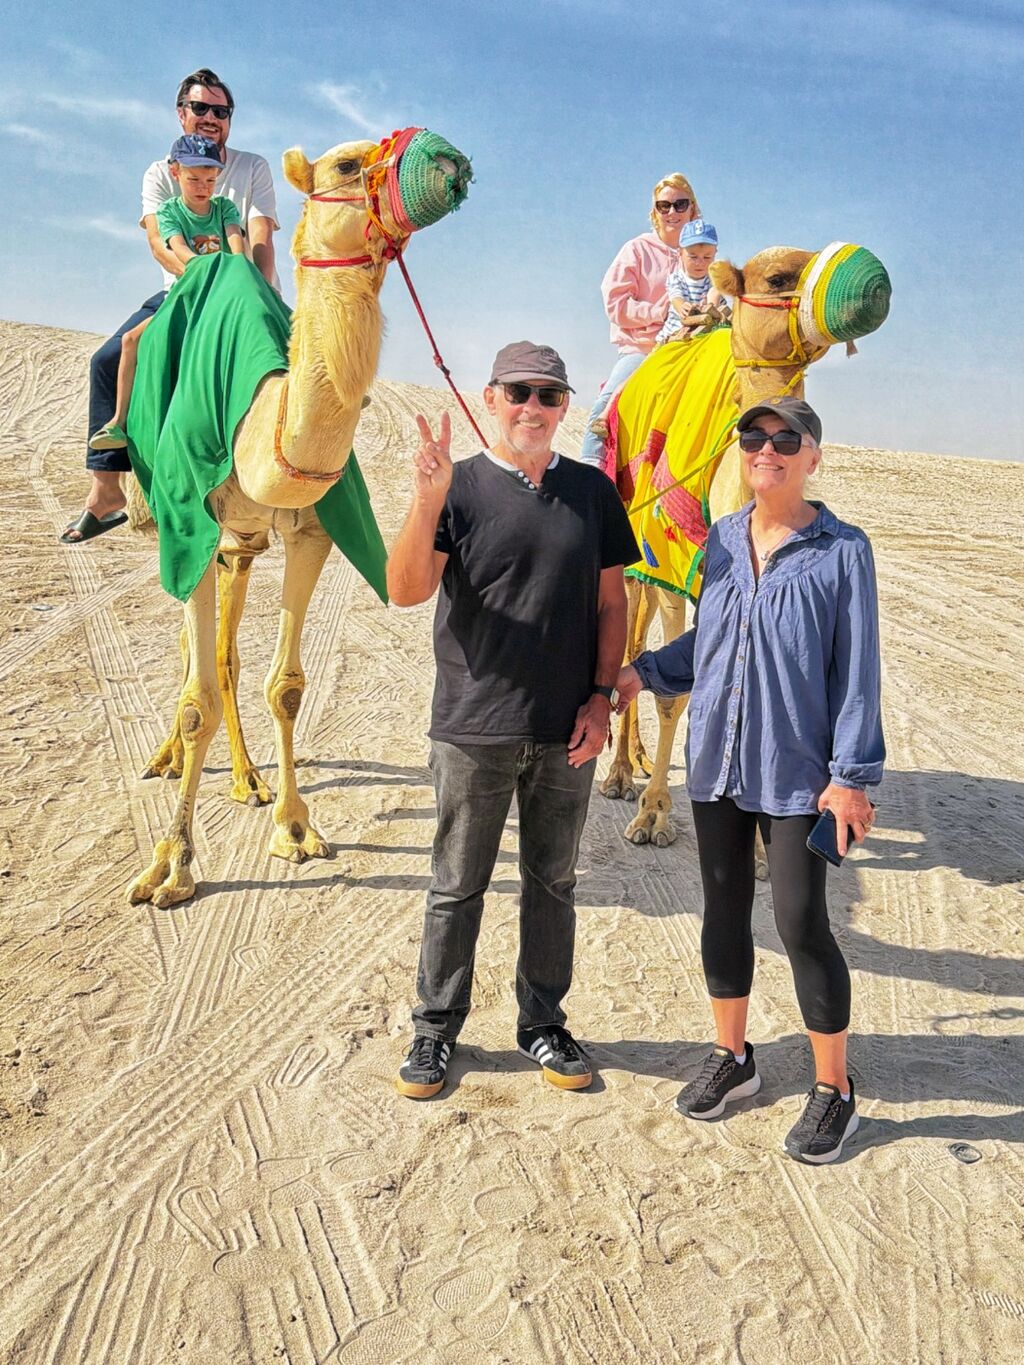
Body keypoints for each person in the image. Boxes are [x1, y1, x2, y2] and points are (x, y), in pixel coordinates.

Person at [615, 396, 884, 1163]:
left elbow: (858, 666)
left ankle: (835, 1090)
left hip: (801, 772)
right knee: (723, 910)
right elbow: (712, 638)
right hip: (719, 761)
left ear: (812, 457)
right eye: (753, 437)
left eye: (784, 438)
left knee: (800, 921)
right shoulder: (725, 540)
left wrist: (852, 776)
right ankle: (734, 1058)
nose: (765, 448)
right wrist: (645, 672)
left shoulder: (843, 550)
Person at [388, 341, 640, 1100]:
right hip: (473, 726)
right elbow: (405, 589)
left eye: (550, 396)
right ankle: (435, 1029)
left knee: (552, 881)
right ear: (491, 399)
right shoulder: (458, 487)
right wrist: (426, 498)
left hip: (566, 729)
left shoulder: (593, 493)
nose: (534, 408)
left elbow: (611, 602)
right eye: (519, 393)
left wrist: (601, 698)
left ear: (565, 409)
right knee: (457, 884)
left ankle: (542, 1022)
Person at [61, 67, 280, 544]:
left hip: (244, 288)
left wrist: (253, 290)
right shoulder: (161, 172)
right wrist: (199, 278)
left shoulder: (251, 167)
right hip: (183, 288)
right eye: (200, 108)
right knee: (107, 360)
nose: (210, 117)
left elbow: (259, 236)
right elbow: (161, 244)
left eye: (220, 111)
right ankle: (106, 493)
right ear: (181, 113)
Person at [88, 135, 246, 453]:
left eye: (210, 180)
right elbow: (179, 249)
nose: (203, 186)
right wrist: (205, 271)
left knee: (279, 319)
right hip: (188, 289)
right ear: (175, 173)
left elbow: (236, 243)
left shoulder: (224, 208)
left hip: (228, 288)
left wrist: (237, 269)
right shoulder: (169, 211)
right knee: (131, 340)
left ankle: (326, 388)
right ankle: (118, 422)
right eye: (194, 179)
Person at [578, 173, 699, 468]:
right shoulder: (637, 250)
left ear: (693, 209)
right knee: (609, 405)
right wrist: (660, 313)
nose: (672, 212)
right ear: (655, 211)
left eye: (680, 204)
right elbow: (615, 303)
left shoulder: (700, 254)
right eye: (664, 206)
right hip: (643, 349)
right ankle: (590, 467)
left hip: (689, 347)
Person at [653, 219, 728, 345]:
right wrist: (682, 306)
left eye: (707, 257)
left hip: (703, 338)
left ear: (715, 253)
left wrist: (712, 303)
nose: (700, 262)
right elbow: (676, 297)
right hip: (674, 336)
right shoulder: (676, 278)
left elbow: (718, 308)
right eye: (693, 257)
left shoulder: (714, 282)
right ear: (680, 253)